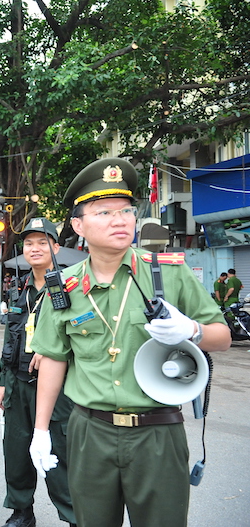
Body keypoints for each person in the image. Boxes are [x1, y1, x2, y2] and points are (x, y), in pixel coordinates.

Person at [29, 157, 230, 526]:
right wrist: (41, 431)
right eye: (103, 212)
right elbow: (53, 359)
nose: (119, 220)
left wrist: (192, 331)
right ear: (78, 226)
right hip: (90, 431)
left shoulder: (169, 271)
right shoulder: (64, 287)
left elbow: (222, 337)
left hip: (158, 432)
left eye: (125, 210)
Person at [0, 218, 76, 527]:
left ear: (56, 247)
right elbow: (10, 338)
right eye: (29, 243)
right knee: (15, 452)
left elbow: (80, 333)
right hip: (18, 384)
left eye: (43, 242)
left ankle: (72, 515)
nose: (35, 248)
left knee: (61, 457)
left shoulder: (69, 286)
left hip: (58, 388)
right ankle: (21, 511)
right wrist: (3, 382)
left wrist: (54, 347)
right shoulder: (20, 288)